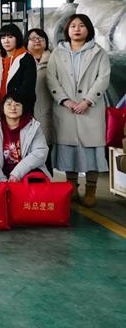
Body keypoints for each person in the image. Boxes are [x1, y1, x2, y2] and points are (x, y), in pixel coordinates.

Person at [47, 14, 111, 207]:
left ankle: (91, 189)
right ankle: (72, 187)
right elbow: (51, 78)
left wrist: (88, 101)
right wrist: (64, 100)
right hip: (65, 108)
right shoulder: (57, 53)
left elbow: (103, 78)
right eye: (73, 26)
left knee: (92, 150)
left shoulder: (99, 53)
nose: (77, 29)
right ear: (67, 30)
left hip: (90, 109)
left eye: (81, 25)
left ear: (88, 29)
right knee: (69, 150)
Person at [0, 92, 49, 184]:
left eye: (17, 104)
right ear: (2, 107)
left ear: (23, 107)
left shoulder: (33, 126)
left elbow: (40, 152)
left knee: (35, 181)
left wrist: (16, 174)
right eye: (9, 104)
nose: (13, 108)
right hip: (0, 174)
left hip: (26, 173)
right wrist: (0, 179)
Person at [0, 24, 37, 112]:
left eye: (10, 37)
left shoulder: (26, 58)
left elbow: (28, 86)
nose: (6, 41)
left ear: (17, 38)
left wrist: (11, 104)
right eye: (3, 38)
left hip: (19, 108)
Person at [26, 28, 54, 171]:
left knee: (46, 150)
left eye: (40, 38)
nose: (37, 41)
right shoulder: (22, 60)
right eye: (32, 38)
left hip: (48, 112)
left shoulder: (54, 60)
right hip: (27, 112)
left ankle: (47, 181)